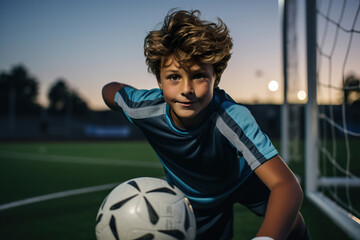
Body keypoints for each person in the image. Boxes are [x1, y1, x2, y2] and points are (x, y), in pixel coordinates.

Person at [102, 9, 310, 240]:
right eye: (173, 77)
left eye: (199, 76)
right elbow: (111, 90)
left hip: (242, 179)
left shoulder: (231, 116)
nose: (186, 89)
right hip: (196, 197)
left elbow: (287, 186)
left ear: (216, 79)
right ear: (158, 81)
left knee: (291, 223)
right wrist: (113, 99)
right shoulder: (143, 108)